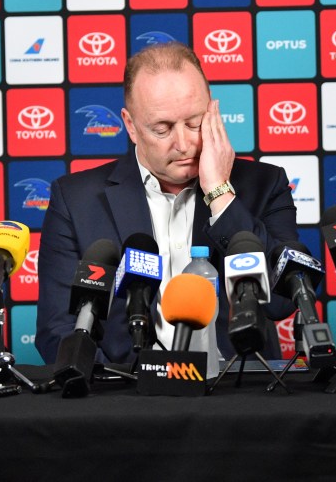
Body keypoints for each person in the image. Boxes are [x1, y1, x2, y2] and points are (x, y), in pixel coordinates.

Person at [37, 42, 298, 365]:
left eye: (194, 122)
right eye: (162, 129)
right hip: (125, 396)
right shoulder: (75, 199)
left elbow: (283, 301)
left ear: (213, 112)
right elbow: (57, 329)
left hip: (238, 391)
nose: (184, 143)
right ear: (131, 126)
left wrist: (219, 193)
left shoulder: (263, 185)